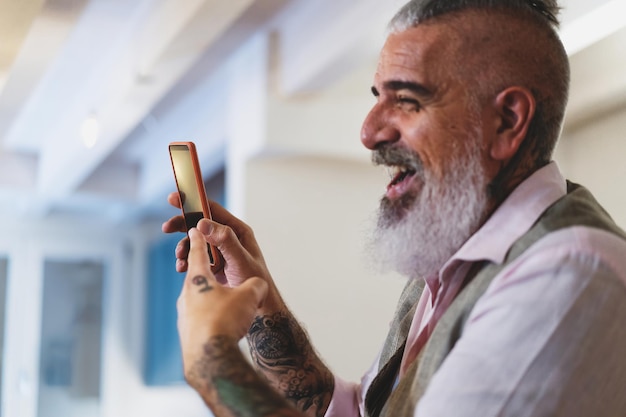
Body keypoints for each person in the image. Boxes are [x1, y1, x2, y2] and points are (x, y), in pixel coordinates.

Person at [162, 0, 626, 416]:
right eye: (377, 97)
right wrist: (261, 299)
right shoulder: (452, 261)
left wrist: (213, 363)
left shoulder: (568, 271)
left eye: (406, 99)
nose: (369, 131)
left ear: (506, 121)